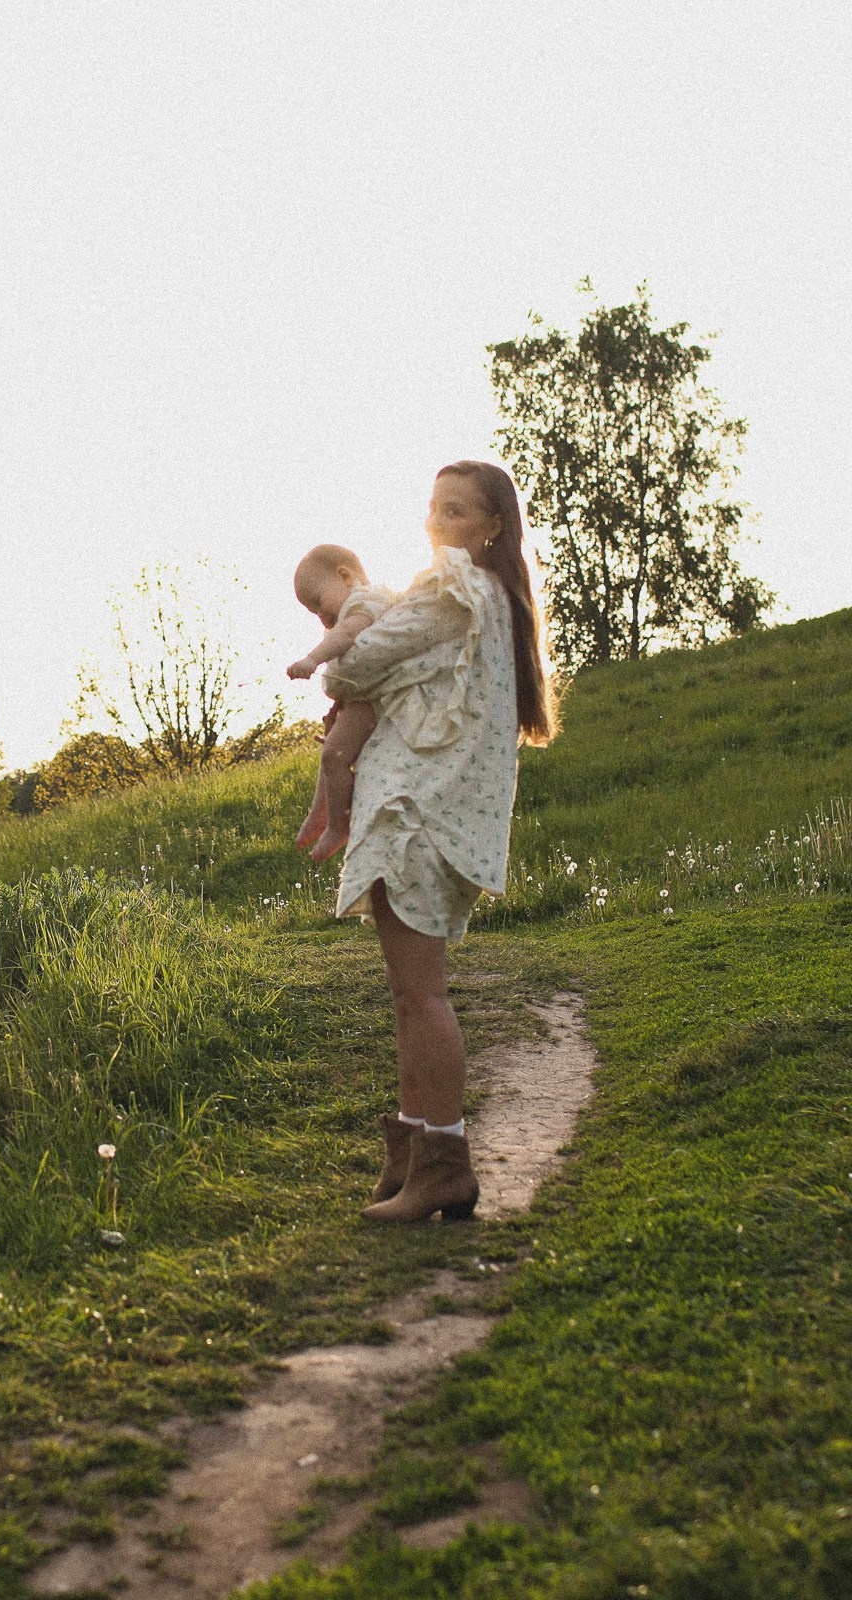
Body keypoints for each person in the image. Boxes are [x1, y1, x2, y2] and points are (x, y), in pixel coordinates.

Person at [321, 461, 558, 1223]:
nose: (436, 524)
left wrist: (350, 615)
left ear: (492, 529)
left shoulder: (455, 588)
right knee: (409, 996)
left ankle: (444, 1163)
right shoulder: (491, 602)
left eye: (455, 511)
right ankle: (413, 1157)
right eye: (431, 508)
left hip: (414, 815)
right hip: (433, 817)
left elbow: (350, 669)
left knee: (420, 997)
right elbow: (397, 672)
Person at [286, 544, 398, 862]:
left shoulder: (365, 601)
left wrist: (312, 660)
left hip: (371, 699)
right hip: (360, 698)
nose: (320, 615)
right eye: (313, 612)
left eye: (318, 603)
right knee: (330, 752)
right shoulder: (357, 603)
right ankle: (319, 814)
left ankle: (338, 825)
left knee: (335, 756)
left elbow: (347, 635)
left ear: (344, 576)